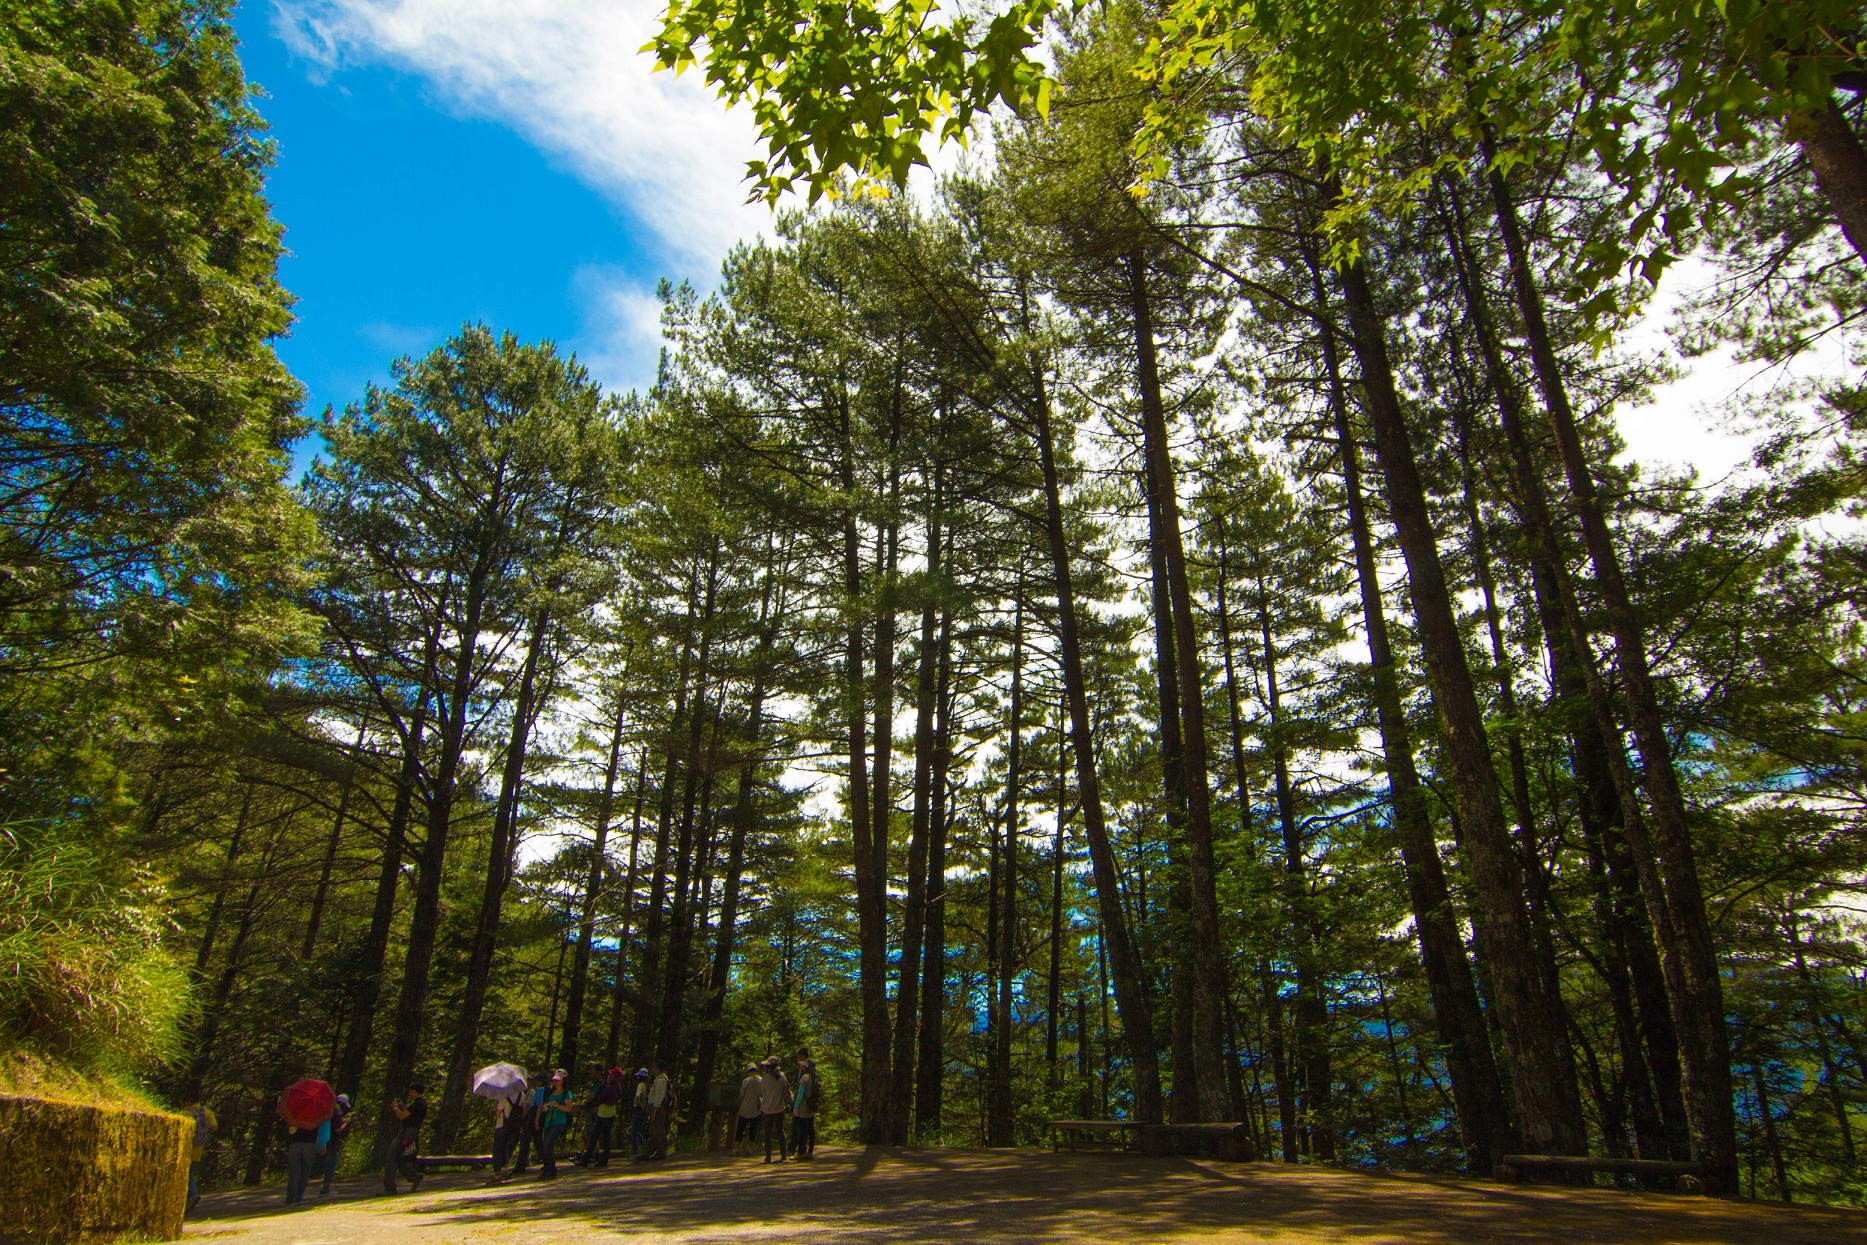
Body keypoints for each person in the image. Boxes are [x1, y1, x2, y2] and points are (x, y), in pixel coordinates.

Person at [278, 1094, 322, 1206]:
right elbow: (319, 1132)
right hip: (309, 1145)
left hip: (295, 1145)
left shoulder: (295, 1114)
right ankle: (299, 1198)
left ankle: (290, 1199)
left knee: (294, 1172)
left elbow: (290, 1131)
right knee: (305, 1173)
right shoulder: (316, 1115)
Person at [383, 1080, 426, 1193]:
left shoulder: (417, 1104)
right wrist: (401, 1105)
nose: (409, 1093)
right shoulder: (422, 1104)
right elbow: (409, 1114)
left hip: (406, 1133)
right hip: (413, 1133)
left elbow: (402, 1116)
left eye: (411, 1091)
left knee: (391, 1157)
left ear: (415, 1091)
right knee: (401, 1160)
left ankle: (389, 1188)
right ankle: (415, 1176)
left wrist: (395, 1107)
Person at [181, 1087, 216, 1213]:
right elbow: (214, 1126)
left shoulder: (186, 1113)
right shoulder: (207, 1112)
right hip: (199, 1149)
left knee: (187, 1174)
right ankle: (190, 1197)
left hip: (187, 1149)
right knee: (191, 1172)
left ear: (188, 1102)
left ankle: (192, 1194)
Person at [538, 1069, 574, 1180]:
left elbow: (568, 1108)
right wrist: (546, 1108)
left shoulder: (566, 1093)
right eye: (554, 1080)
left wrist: (557, 1105)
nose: (555, 1082)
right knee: (546, 1146)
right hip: (548, 1122)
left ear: (563, 1080)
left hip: (559, 1122)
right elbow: (547, 1105)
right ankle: (547, 1169)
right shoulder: (551, 1092)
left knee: (549, 1145)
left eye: (558, 1080)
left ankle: (552, 1170)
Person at [585, 1067, 622, 1167]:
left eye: (610, 1075)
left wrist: (596, 1106)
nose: (608, 1076)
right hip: (611, 1113)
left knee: (594, 1136)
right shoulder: (618, 1087)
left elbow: (601, 1099)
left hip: (603, 1114)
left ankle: (586, 1160)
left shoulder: (610, 1088)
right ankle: (604, 1160)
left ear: (614, 1076)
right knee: (606, 1137)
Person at [757, 1056, 790, 1163]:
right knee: (780, 1131)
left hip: (767, 1108)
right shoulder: (782, 1077)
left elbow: (762, 1092)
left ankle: (768, 1157)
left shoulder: (765, 1079)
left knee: (768, 1133)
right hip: (779, 1108)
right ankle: (783, 1155)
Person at [640, 1060, 674, 1160]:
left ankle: (653, 1152)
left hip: (658, 1108)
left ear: (658, 1069)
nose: (652, 1070)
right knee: (656, 1130)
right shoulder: (660, 1079)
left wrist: (654, 1110)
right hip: (658, 1107)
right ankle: (656, 1152)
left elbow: (659, 1097)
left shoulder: (661, 1081)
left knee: (656, 1130)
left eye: (654, 1068)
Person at [318, 1094, 351, 1196]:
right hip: (332, 1144)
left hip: (324, 1142)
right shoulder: (335, 1113)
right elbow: (337, 1129)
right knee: (331, 1165)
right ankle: (325, 1189)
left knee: (324, 1165)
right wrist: (345, 1123)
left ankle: (325, 1188)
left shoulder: (328, 1111)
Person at [792, 1054, 819, 1160]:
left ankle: (800, 1152)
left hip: (803, 1108)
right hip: (811, 1107)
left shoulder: (804, 1078)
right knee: (810, 1130)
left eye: (802, 1066)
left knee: (802, 1131)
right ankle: (810, 1152)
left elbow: (800, 1094)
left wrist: (796, 1106)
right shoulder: (814, 1078)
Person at [735, 1063, 762, 1153]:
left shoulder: (746, 1081)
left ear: (748, 1072)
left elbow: (741, 1095)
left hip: (745, 1108)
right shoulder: (760, 1080)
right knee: (753, 1129)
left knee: (740, 1129)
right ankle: (750, 1148)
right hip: (755, 1108)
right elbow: (762, 1093)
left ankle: (736, 1148)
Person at [628, 1068, 650, 1158]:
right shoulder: (647, 1085)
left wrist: (638, 1104)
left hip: (638, 1109)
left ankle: (635, 1151)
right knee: (637, 1130)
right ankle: (644, 1147)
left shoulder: (640, 1085)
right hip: (643, 1110)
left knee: (634, 1130)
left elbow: (638, 1095)